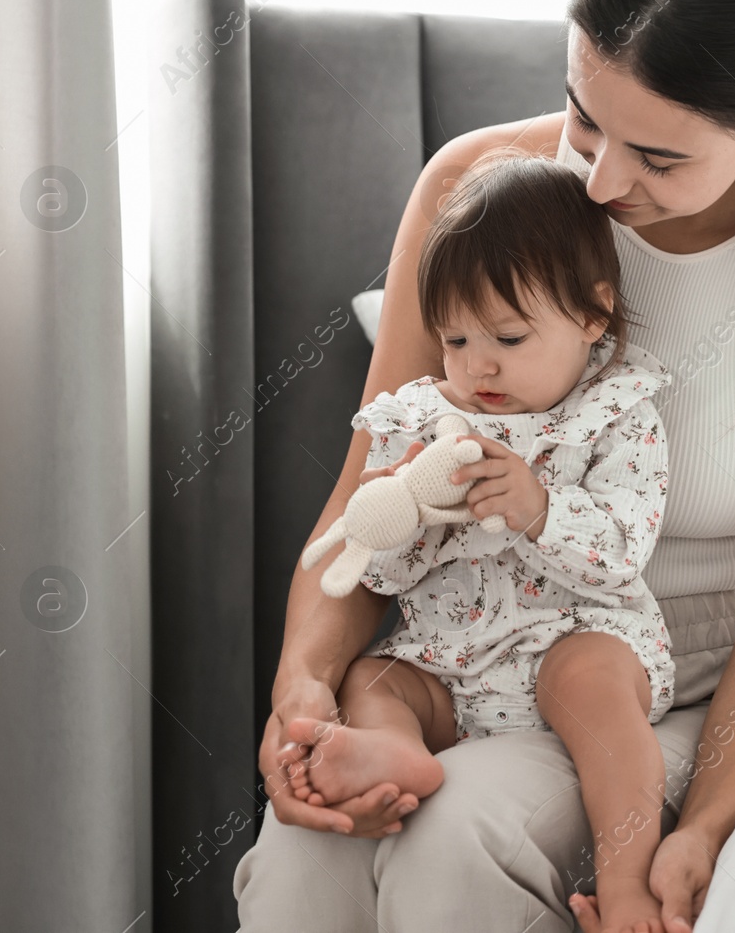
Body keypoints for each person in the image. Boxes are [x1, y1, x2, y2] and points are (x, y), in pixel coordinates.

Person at [233, 0, 735, 933]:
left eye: (656, 155)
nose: (601, 180)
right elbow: (365, 499)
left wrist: (696, 828)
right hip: (475, 645)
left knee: (457, 833)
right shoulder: (476, 184)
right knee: (306, 852)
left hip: (704, 676)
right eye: (582, 114)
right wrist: (303, 689)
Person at [285, 149, 682, 932]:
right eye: (456, 340)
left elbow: (622, 550)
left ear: (592, 315)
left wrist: (541, 508)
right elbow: (382, 576)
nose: (479, 366)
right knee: (374, 675)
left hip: (576, 634)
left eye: (507, 335)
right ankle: (393, 750)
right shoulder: (421, 418)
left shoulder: (613, 414)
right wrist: (396, 511)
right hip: (452, 661)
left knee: (592, 678)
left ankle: (629, 876)